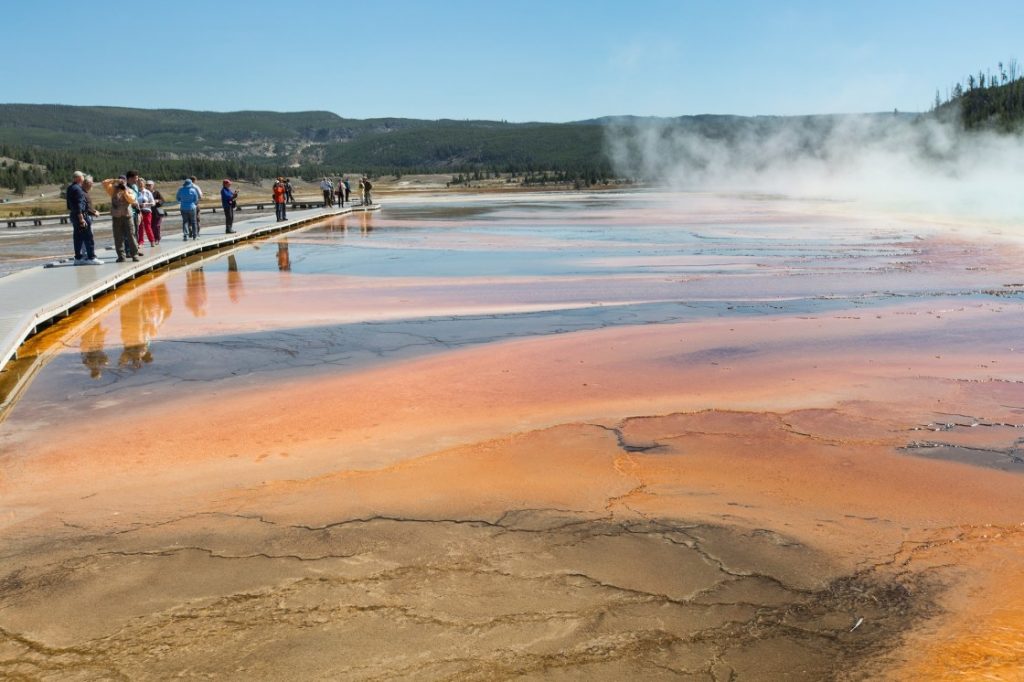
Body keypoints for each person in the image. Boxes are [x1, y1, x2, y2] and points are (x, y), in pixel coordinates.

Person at [66, 171, 102, 265]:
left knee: (77, 238)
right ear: (78, 178)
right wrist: (81, 219)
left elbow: (69, 205)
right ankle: (91, 257)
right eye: (82, 176)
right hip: (81, 216)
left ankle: (78, 258)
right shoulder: (78, 189)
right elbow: (79, 205)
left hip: (73, 215)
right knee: (88, 237)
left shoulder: (70, 188)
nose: (83, 178)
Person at [102, 175, 140, 262]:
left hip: (127, 216)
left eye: (123, 181)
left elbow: (131, 200)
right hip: (116, 216)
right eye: (120, 181)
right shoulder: (112, 190)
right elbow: (104, 183)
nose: (121, 182)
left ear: (126, 182)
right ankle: (121, 256)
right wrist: (115, 179)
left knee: (131, 236)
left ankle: (135, 254)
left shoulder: (129, 190)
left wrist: (125, 190)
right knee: (118, 237)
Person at [135, 178, 157, 247]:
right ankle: (141, 242)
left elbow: (153, 203)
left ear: (144, 184)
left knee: (147, 227)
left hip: (147, 211)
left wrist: (146, 204)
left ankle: (152, 241)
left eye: (141, 183)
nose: (140, 185)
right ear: (137, 184)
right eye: (139, 183)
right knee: (140, 227)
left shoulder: (148, 192)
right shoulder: (135, 192)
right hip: (139, 211)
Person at [126, 170, 142, 254]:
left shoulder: (135, 187)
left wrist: (140, 213)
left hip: (136, 212)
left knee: (136, 231)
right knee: (128, 233)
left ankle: (135, 250)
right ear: (130, 178)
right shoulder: (125, 187)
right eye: (136, 178)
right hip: (128, 213)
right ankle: (128, 251)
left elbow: (136, 200)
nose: (137, 180)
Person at [147, 180, 164, 244]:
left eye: (149, 185)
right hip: (150, 212)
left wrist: (158, 201)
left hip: (159, 211)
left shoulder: (156, 192)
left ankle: (157, 238)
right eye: (147, 185)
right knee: (151, 226)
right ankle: (154, 238)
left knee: (156, 226)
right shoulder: (146, 193)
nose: (148, 186)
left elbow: (163, 201)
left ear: (153, 186)